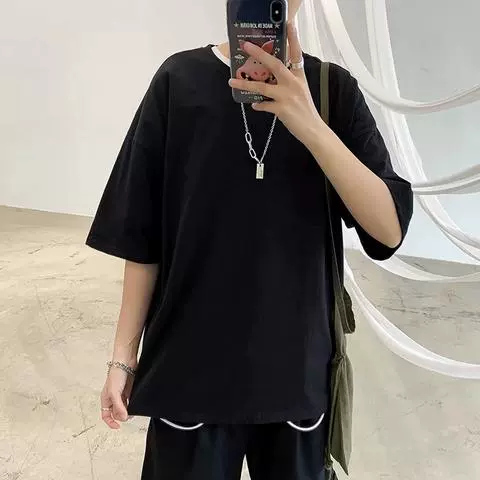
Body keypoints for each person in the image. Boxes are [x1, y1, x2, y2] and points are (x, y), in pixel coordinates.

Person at [86, 0, 414, 478]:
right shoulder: (179, 81)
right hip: (188, 369)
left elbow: (388, 229)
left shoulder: (332, 91)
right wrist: (123, 358)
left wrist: (310, 124)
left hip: (295, 376)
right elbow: (142, 235)